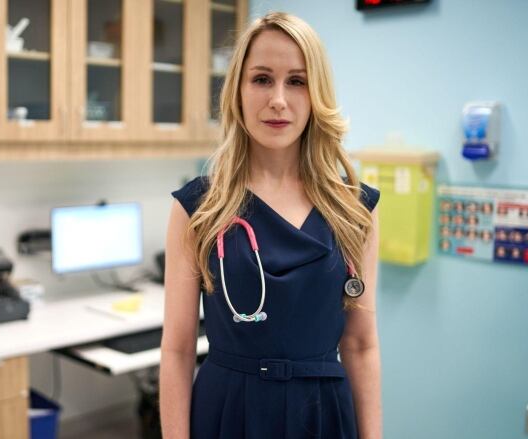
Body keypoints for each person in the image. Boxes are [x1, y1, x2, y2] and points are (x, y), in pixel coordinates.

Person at [160, 12, 382, 439]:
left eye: (296, 81)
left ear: (316, 93)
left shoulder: (354, 209)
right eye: (262, 79)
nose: (278, 99)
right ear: (238, 91)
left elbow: (360, 345)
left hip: (322, 415)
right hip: (228, 412)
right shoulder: (199, 208)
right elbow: (177, 349)